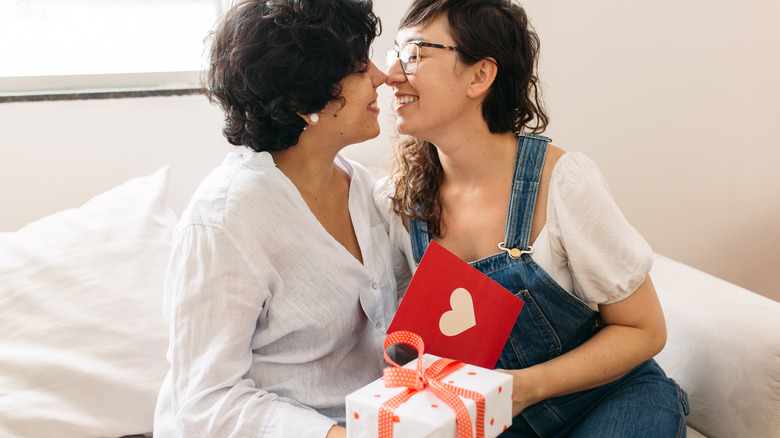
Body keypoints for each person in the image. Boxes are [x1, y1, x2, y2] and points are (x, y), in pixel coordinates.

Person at [377, 0, 690, 436]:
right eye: (394, 52)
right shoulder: (400, 201)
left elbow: (645, 329)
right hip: (504, 417)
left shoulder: (563, 183)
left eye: (415, 53)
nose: (390, 73)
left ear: (480, 75)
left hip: (611, 397)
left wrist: (524, 387)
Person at [152, 1, 395, 437]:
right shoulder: (225, 220)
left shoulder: (364, 188)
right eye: (360, 68)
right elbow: (205, 403)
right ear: (303, 99)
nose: (381, 77)